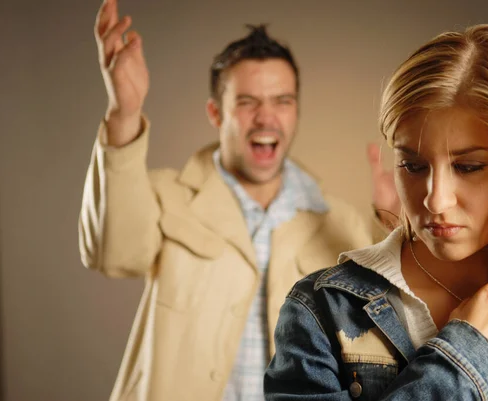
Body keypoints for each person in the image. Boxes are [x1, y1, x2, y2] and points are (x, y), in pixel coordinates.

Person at [78, 1, 398, 400]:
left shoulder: (343, 222)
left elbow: (397, 326)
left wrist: (398, 222)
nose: (267, 118)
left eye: (282, 101)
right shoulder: (167, 197)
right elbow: (111, 253)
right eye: (247, 102)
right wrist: (123, 113)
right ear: (216, 113)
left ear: (296, 111)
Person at [265, 24, 488, 401]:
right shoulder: (323, 312)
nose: (435, 201)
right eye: (413, 166)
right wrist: (467, 358)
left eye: (468, 167)